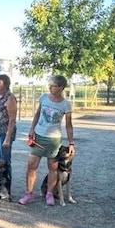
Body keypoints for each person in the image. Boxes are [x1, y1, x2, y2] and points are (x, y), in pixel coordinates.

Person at [18, 75, 75, 206]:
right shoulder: (43, 97)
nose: (50, 88)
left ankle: (49, 194)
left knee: (53, 168)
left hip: (53, 140)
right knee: (31, 165)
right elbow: (38, 114)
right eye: (49, 85)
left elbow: (68, 125)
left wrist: (71, 143)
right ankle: (29, 193)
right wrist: (32, 129)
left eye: (53, 86)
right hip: (39, 136)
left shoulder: (66, 104)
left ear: (61, 87)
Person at [0, 74, 18, 168]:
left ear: (6, 85)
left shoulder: (9, 98)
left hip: (5, 132)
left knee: (5, 159)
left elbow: (12, 119)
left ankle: (6, 181)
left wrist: (7, 138)